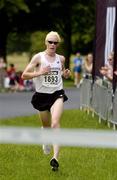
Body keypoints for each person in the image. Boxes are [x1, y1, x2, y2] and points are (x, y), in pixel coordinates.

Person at [21, 31, 71, 171]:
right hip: (42, 96)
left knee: (55, 123)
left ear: (58, 44)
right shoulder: (38, 57)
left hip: (57, 94)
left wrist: (65, 74)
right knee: (47, 126)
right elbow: (24, 75)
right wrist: (40, 72)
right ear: (46, 42)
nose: (53, 45)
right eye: (50, 42)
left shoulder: (61, 59)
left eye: (55, 43)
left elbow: (60, 74)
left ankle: (55, 158)